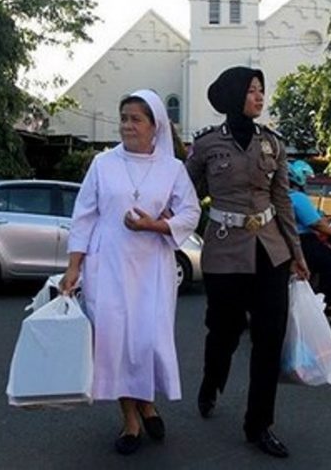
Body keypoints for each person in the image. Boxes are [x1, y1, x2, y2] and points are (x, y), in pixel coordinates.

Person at [60, 90, 201, 456]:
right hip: (107, 264)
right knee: (116, 343)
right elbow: (84, 216)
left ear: (155, 127)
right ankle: (131, 421)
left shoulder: (172, 169)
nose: (127, 125)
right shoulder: (102, 164)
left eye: (136, 119)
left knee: (146, 342)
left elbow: (190, 212)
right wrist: (73, 266)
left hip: (153, 267)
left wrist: (155, 226)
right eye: (123, 117)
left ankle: (148, 402)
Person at [185, 66, 309, 459]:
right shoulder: (206, 145)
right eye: (253, 90)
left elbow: (283, 200)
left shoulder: (272, 143)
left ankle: (260, 425)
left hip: (270, 251)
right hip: (224, 252)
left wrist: (297, 255)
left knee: (269, 339)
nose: (259, 97)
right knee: (222, 332)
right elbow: (186, 198)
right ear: (235, 94)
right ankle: (211, 382)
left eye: (261, 90)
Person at [287, 160, 331, 320]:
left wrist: (327, 220)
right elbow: (316, 224)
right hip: (302, 240)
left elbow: (318, 216)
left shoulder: (283, 196)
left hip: (284, 240)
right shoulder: (297, 197)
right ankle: (327, 302)